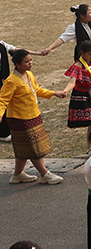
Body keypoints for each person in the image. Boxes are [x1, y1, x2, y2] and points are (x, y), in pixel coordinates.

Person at [0, 49, 70, 185]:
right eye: (26, 61)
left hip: (33, 115)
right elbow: (2, 100)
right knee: (33, 148)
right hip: (20, 119)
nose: (30, 63)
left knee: (24, 148)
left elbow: (37, 90)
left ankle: (17, 174)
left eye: (31, 60)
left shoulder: (29, 75)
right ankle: (45, 174)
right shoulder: (11, 81)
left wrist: (54, 93)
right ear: (17, 64)